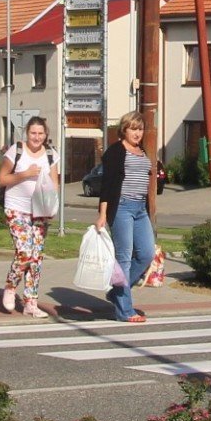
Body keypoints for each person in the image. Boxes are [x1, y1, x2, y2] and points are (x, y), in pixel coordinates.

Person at [93, 111, 156, 322]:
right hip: (121, 208)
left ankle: (116, 290)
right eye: (133, 129)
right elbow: (107, 185)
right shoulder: (115, 151)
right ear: (124, 130)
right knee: (124, 258)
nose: (137, 133)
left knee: (147, 254)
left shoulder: (141, 151)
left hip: (140, 208)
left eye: (140, 129)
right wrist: (102, 215)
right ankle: (125, 310)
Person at [0, 116, 61, 318]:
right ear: (27, 133)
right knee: (24, 252)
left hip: (40, 210)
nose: (37, 137)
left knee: (36, 258)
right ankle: (10, 286)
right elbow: (2, 179)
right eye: (33, 133)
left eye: (40, 133)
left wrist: (51, 206)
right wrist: (25, 173)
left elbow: (55, 183)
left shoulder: (50, 154)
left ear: (46, 134)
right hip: (17, 208)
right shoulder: (16, 150)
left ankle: (30, 302)